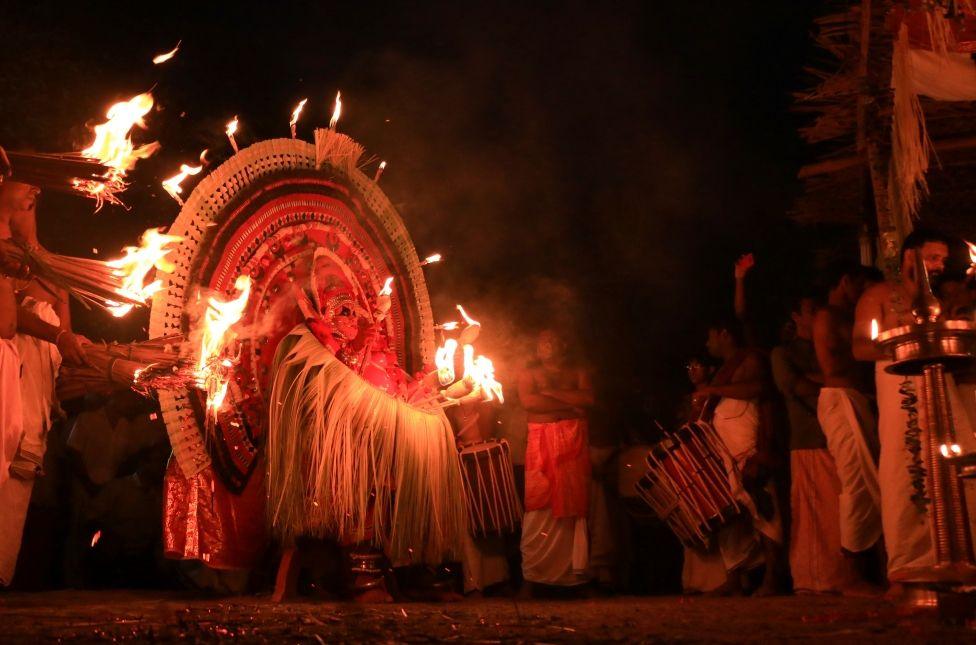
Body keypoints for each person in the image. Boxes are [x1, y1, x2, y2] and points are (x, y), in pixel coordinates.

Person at [852, 228, 974, 587]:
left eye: (942, 261)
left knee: (954, 462)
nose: (938, 266)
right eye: (932, 258)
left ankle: (957, 554)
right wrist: (907, 349)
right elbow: (860, 348)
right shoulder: (878, 296)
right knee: (906, 469)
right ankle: (909, 564)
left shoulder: (938, 301)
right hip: (898, 386)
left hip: (939, 386)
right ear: (909, 257)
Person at [0, 179, 88, 586]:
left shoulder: (55, 278)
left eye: (37, 198)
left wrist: (83, 361)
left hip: (30, 408)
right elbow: (9, 319)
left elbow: (63, 346)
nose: (32, 197)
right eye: (24, 195)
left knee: (14, 496)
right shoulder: (6, 265)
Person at [686, 317, 782, 595]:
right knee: (730, 516)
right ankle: (734, 579)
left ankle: (772, 579)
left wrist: (713, 390)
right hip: (724, 452)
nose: (708, 343)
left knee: (764, 510)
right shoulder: (725, 370)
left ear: (724, 334)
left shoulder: (751, 359)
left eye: (710, 336)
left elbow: (758, 389)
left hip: (749, 447)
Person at [771, 293, 851, 594]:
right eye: (810, 310)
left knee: (839, 509)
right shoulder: (783, 353)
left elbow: (840, 376)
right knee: (816, 513)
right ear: (796, 317)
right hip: (809, 439)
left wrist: (821, 379)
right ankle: (815, 577)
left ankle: (840, 573)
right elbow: (796, 385)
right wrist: (830, 381)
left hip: (838, 434)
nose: (817, 315)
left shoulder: (827, 347)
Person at [813, 263, 885, 594]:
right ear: (845, 280)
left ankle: (875, 568)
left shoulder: (844, 317)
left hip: (854, 398)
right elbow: (835, 363)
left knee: (871, 479)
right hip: (840, 398)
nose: (865, 296)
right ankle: (851, 575)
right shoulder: (828, 317)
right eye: (862, 288)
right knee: (856, 479)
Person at [518, 329, 594, 595]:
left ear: (563, 345)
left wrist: (550, 392)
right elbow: (529, 402)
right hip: (541, 444)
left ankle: (576, 579)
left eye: (551, 340)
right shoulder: (529, 373)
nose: (545, 345)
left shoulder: (578, 371)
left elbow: (587, 399)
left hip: (572, 445)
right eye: (541, 341)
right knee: (539, 506)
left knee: (574, 505)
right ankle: (532, 578)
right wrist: (568, 407)